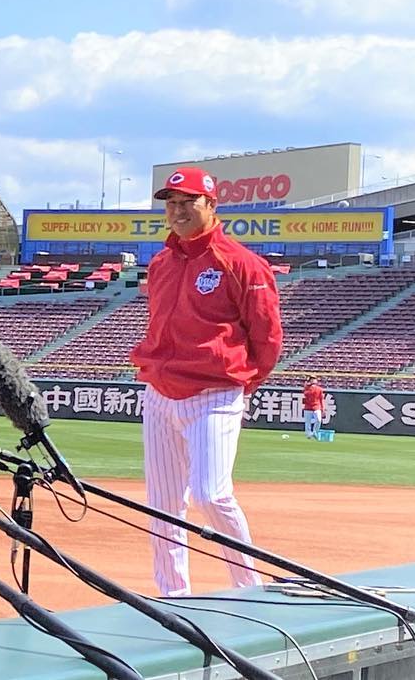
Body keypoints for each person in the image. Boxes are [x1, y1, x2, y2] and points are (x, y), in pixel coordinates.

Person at [130, 166, 283, 597]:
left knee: (210, 495)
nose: (178, 211)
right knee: (163, 505)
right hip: (160, 392)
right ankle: (173, 596)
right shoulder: (161, 262)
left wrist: (239, 384)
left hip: (214, 394)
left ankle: (249, 589)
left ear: (211, 205)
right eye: (171, 203)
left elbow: (268, 337)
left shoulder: (241, 263)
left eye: (188, 202)